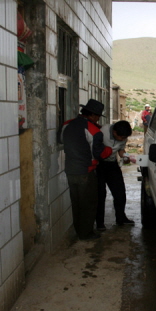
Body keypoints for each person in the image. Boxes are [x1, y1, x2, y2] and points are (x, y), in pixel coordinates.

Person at [60, 99, 112, 240]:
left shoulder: (66, 125)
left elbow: (61, 140)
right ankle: (86, 233)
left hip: (70, 169)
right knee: (88, 203)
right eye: (98, 116)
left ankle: (79, 230)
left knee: (76, 202)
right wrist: (109, 149)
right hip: (86, 171)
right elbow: (99, 153)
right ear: (94, 116)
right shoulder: (94, 130)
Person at [96, 120, 135, 231]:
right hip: (99, 164)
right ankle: (99, 223)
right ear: (114, 132)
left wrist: (126, 157)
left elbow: (121, 150)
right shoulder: (103, 132)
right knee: (100, 193)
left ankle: (121, 218)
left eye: (125, 138)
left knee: (120, 192)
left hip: (112, 164)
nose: (123, 139)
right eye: (121, 137)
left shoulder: (123, 136)